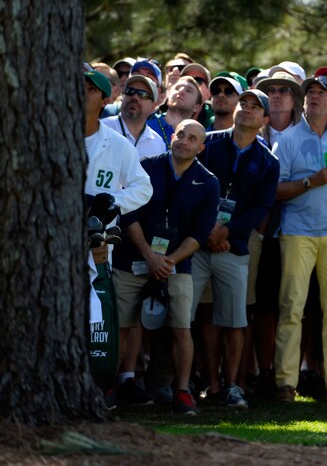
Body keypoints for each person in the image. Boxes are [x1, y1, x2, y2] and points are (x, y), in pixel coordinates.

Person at [115, 119, 220, 415]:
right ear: (173, 137)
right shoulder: (146, 167)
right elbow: (127, 213)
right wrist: (149, 254)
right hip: (132, 258)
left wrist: (168, 261)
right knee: (120, 328)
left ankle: (182, 392)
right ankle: (107, 387)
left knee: (181, 330)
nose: (184, 141)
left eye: (192, 139)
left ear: (200, 148)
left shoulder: (208, 182)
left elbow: (201, 233)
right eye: (181, 135)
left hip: (177, 265)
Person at [272, 75, 327, 402]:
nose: (313, 97)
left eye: (320, 92)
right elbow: (275, 190)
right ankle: (285, 383)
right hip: (298, 232)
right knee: (292, 308)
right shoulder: (287, 140)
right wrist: (311, 182)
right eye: (309, 92)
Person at [193, 89, 279, 408]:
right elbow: (193, 186)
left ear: (265, 120)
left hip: (235, 245)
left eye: (256, 107)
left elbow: (261, 208)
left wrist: (226, 231)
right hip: (199, 243)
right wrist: (207, 231)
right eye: (244, 104)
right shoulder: (209, 143)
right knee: (202, 315)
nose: (246, 110)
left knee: (234, 319)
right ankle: (209, 384)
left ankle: (232, 386)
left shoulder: (268, 160)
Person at [83, 70, 153, 398]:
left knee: (95, 315)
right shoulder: (51, 135)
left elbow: (143, 186)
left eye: (90, 89)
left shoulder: (118, 145)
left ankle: (97, 386)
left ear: (105, 99)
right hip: (51, 243)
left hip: (95, 247)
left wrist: (114, 203)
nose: (81, 93)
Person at [101, 74, 167, 160]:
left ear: (153, 106)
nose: (135, 97)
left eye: (143, 95)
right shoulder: (101, 128)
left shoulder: (157, 143)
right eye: (130, 91)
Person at [147, 76, 204, 147]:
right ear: (168, 97)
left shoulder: (197, 138)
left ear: (197, 107)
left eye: (189, 90)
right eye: (177, 88)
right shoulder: (146, 124)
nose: (181, 91)